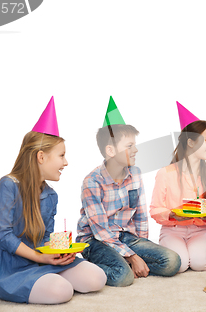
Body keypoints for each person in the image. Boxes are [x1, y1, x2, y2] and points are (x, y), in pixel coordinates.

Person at [0, 98, 106, 304]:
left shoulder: (51, 195)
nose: (66, 162)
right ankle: (45, 281)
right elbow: (3, 236)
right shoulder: (8, 186)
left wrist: (61, 252)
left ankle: (48, 277)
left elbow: (45, 238)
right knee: (61, 291)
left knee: (97, 278)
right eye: (61, 156)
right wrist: (40, 258)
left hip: (41, 260)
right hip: (12, 267)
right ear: (41, 156)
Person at [76, 97, 180, 286]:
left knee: (172, 262)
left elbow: (140, 216)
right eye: (129, 146)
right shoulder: (92, 182)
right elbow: (100, 231)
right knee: (123, 277)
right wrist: (132, 256)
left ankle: (122, 262)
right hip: (96, 241)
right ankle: (88, 266)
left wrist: (142, 248)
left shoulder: (135, 174)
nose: (136, 150)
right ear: (110, 150)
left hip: (126, 237)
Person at [150, 103, 206, 273]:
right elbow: (155, 209)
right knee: (180, 265)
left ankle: (204, 254)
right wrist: (171, 214)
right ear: (191, 142)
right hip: (173, 230)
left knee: (199, 265)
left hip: (199, 230)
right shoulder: (166, 173)